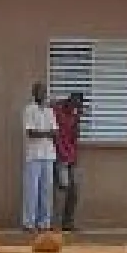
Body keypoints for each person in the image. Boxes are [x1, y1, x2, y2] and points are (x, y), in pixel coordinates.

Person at [22, 82, 57, 233]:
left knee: (46, 190)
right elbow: (30, 133)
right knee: (32, 190)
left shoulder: (50, 111)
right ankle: (29, 223)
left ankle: (44, 223)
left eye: (44, 91)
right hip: (34, 156)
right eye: (40, 91)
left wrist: (42, 133)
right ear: (34, 93)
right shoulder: (29, 110)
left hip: (49, 155)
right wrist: (46, 133)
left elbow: (55, 132)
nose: (43, 94)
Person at [53, 92, 85, 232]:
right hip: (59, 156)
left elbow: (75, 136)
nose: (75, 107)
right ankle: (52, 222)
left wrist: (78, 118)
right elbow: (55, 134)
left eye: (78, 105)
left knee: (74, 190)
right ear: (69, 100)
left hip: (71, 157)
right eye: (74, 103)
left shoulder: (74, 115)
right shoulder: (57, 110)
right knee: (62, 188)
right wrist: (61, 154)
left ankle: (68, 222)